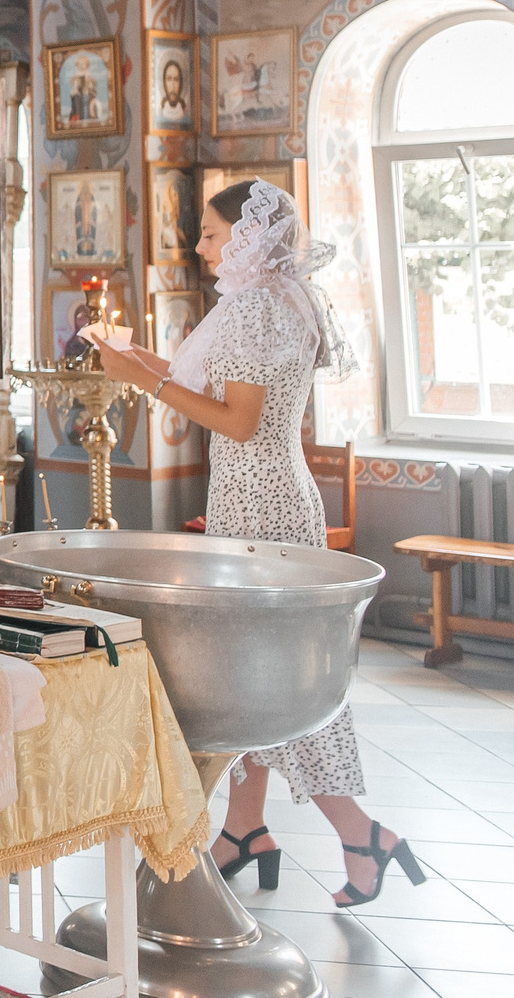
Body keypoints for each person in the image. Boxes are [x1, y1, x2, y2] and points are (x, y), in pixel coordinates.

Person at [94, 181, 424, 908]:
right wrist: (136, 360)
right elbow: (202, 384)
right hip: (274, 496)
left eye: (212, 234)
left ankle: (362, 832)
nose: (203, 247)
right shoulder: (283, 297)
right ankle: (246, 830)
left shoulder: (250, 309)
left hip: (259, 505)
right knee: (248, 673)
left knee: (269, 680)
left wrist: (140, 384)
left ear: (245, 236)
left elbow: (236, 420)